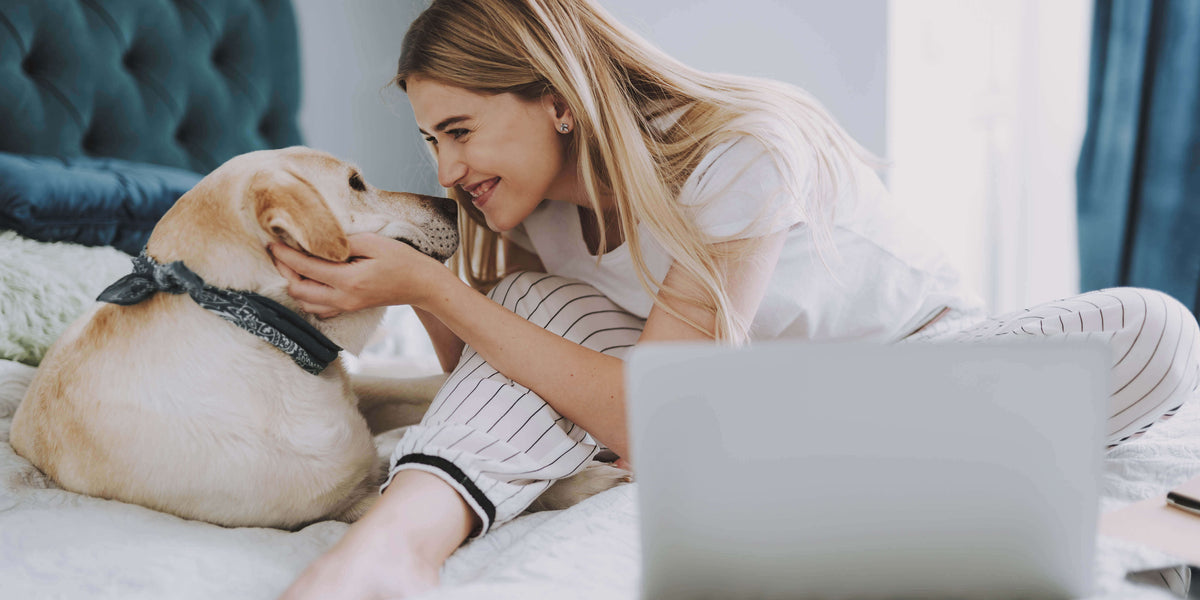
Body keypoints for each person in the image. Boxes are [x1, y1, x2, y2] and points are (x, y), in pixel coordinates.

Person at [274, 0, 1200, 598]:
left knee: (1156, 329)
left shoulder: (736, 147)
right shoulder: (522, 212)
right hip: (730, 412)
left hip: (916, 365)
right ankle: (389, 551)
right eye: (432, 141)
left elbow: (660, 413)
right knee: (536, 312)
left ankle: (801, 475)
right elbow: (492, 378)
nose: (446, 168)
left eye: (460, 130)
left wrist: (433, 283)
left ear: (556, 96)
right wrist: (431, 283)